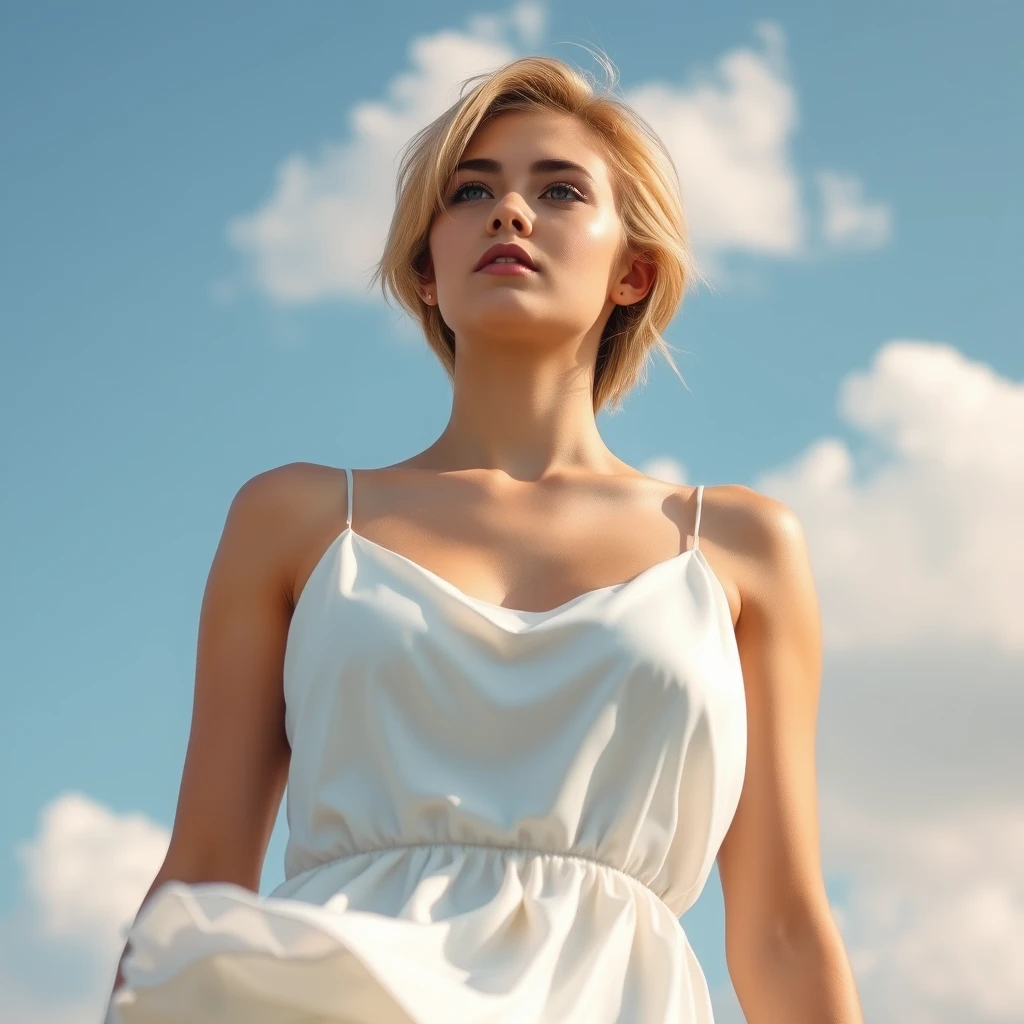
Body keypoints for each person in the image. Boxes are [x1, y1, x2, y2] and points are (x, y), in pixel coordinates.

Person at [106, 53, 863, 1024]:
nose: (509, 212)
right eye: (471, 192)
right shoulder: (293, 520)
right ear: (425, 270)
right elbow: (202, 873)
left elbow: (783, 927)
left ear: (633, 270)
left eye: (558, 190)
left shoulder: (741, 546)